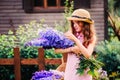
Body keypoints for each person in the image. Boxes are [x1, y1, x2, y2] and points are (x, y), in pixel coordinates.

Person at [54, 9, 97, 80]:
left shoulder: (91, 37)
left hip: (84, 71)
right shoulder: (70, 34)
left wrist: (75, 40)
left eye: (77, 23)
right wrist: (71, 49)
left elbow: (88, 55)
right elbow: (57, 50)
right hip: (71, 69)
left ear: (85, 23)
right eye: (73, 23)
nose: (74, 25)